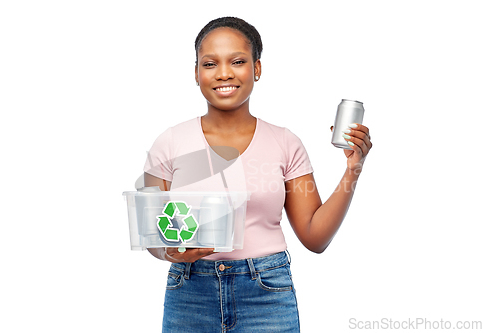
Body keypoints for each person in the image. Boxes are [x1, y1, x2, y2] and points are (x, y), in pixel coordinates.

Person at [143, 17, 372, 333]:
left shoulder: (284, 142)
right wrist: (169, 251)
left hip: (266, 293)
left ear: (257, 69)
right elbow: (150, 234)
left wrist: (353, 169)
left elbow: (315, 237)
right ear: (196, 73)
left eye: (237, 61)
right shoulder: (169, 143)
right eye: (210, 64)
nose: (224, 73)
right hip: (190, 293)